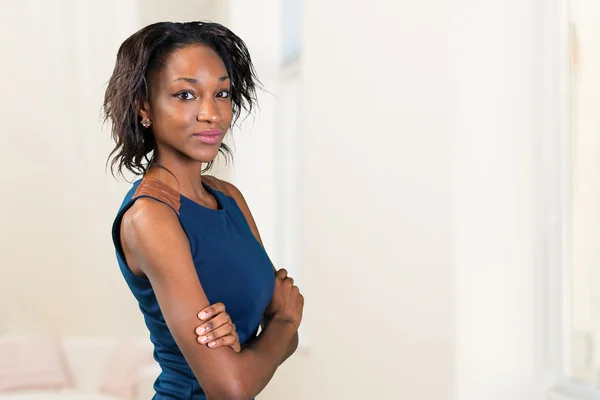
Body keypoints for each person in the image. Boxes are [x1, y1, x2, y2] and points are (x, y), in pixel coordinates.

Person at [104, 21, 304, 399]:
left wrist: (269, 336)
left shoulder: (228, 198)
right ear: (144, 106)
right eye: (185, 95)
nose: (212, 113)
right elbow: (230, 386)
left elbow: (278, 340)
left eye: (222, 93)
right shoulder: (150, 217)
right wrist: (285, 323)